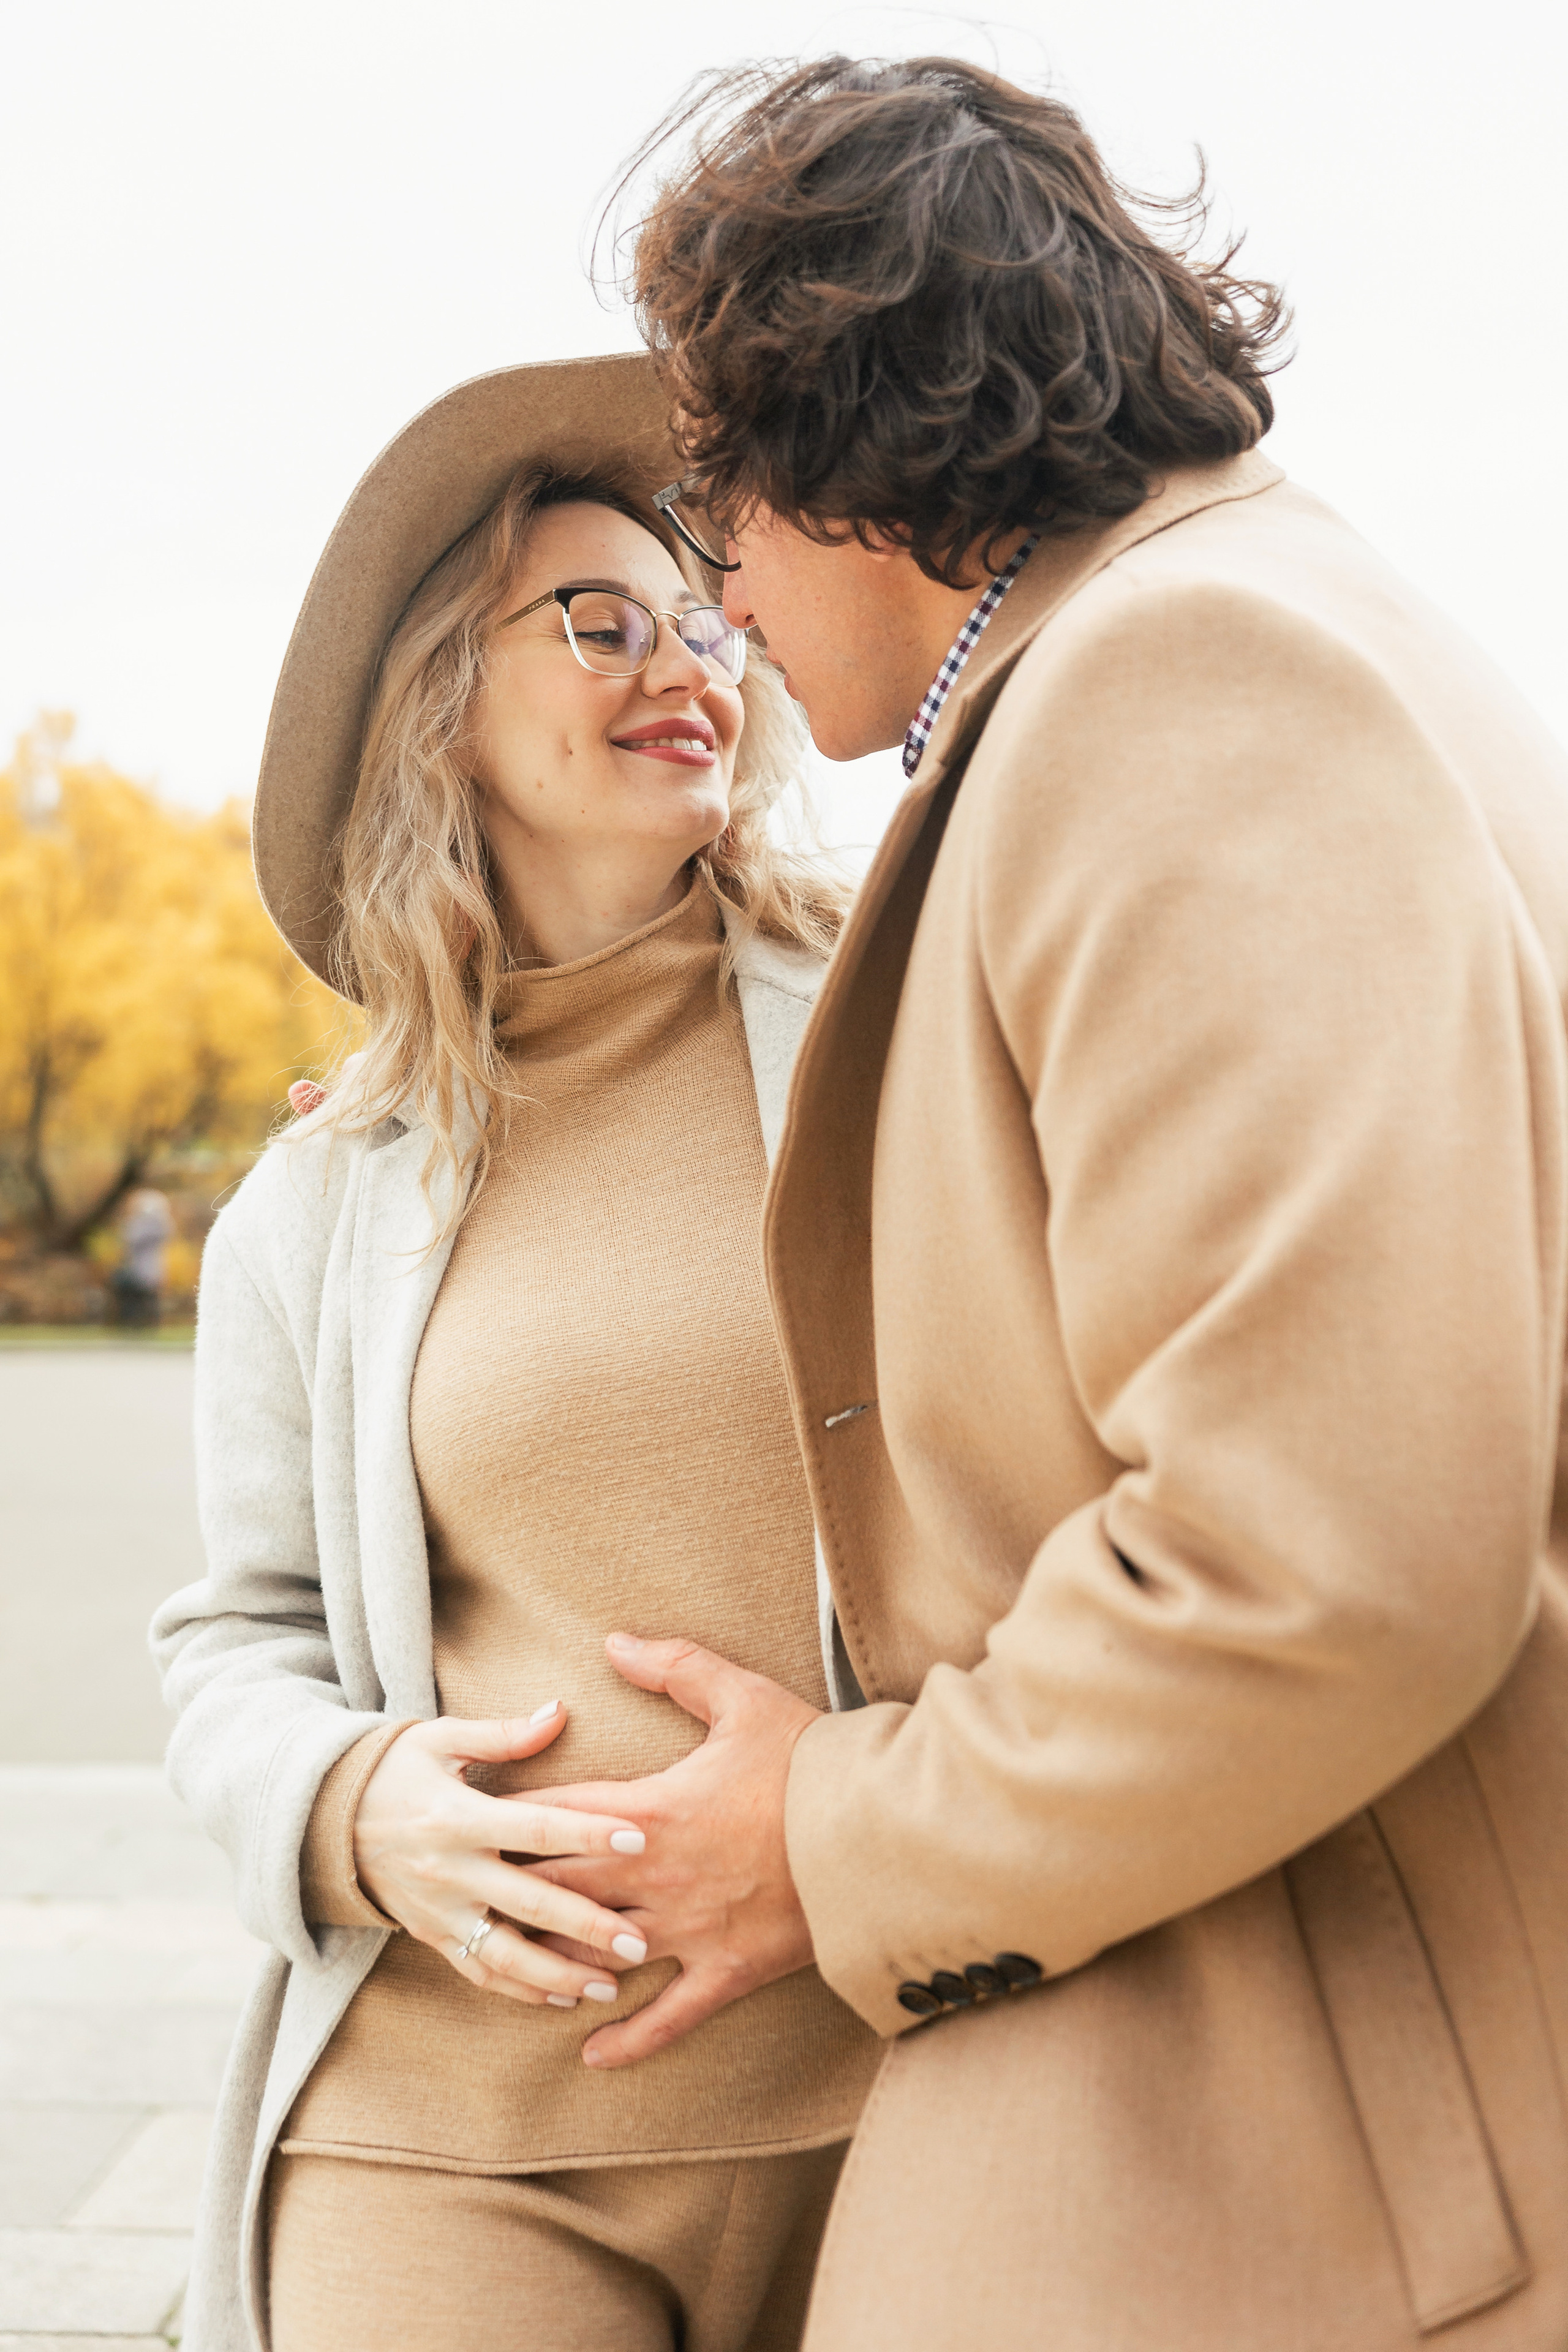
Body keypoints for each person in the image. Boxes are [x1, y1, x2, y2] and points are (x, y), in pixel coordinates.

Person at [513, 58, 1568, 2348]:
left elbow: (1331, 1553)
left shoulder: (1187, 679)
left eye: (723, 503)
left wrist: (825, 1837)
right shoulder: (1219, 636)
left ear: (844, 434)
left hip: (1301, 2132)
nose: (723, 592)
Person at [149, 358, 880, 2352]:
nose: (689, 661)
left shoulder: (898, 1039)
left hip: (904, 2091)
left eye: (707, 616)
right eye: (599, 621)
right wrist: (346, 1804)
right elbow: (238, 1638)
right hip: (444, 2134)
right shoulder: (318, 1200)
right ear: (441, 710)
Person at [111, 1185, 173, 1326]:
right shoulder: (153, 1226)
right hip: (140, 1269)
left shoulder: (151, 1226)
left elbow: (130, 1239)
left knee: (145, 1299)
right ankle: (137, 1323)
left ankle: (143, 1323)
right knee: (139, 1299)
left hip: (145, 1270)